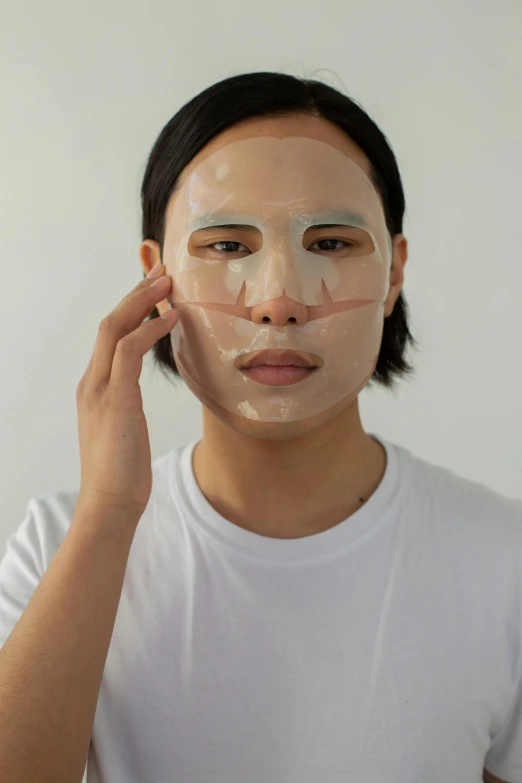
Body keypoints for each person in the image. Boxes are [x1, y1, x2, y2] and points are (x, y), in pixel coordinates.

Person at [0, 72, 520, 783]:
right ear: (157, 272)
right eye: (224, 245)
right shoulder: (59, 546)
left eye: (332, 243)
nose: (279, 299)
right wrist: (109, 517)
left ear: (396, 270)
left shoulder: (502, 558)